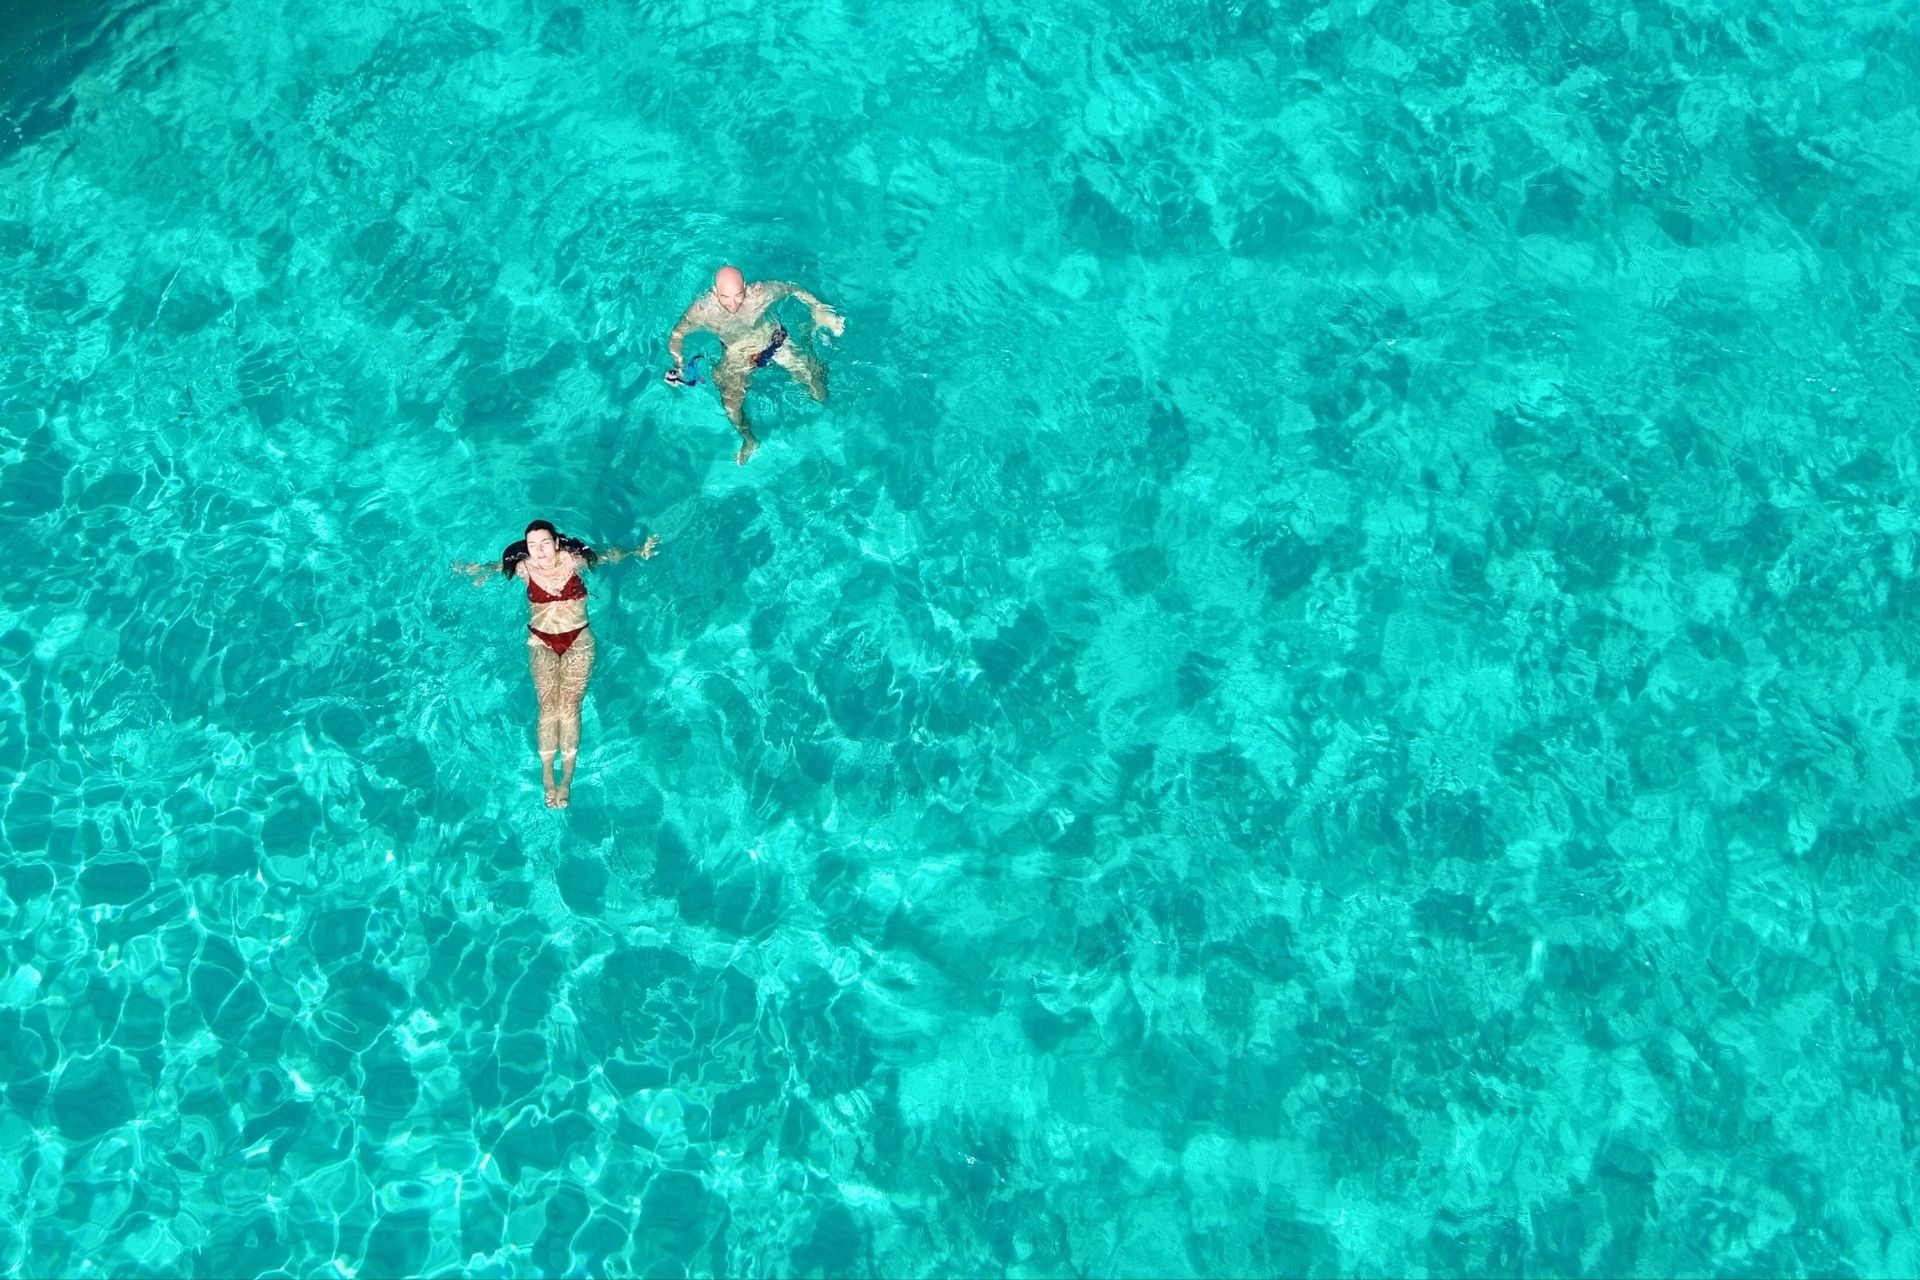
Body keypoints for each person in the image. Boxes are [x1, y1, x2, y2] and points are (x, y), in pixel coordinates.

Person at [453, 520, 659, 808]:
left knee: (569, 706)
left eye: (544, 543)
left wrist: (638, 551)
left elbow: (610, 554)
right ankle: (548, 777)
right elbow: (493, 568)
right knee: (549, 706)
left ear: (557, 542)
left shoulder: (574, 562)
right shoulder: (524, 568)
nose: (538, 550)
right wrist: (477, 572)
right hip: (541, 641)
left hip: (578, 640)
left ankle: (567, 780)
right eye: (532, 545)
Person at [666, 264, 846, 464]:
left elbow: (792, 288)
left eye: (738, 295)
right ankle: (749, 441)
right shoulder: (702, 310)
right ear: (715, 291)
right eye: (724, 297)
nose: (732, 304)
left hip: (773, 343)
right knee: (731, 407)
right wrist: (679, 365)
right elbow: (677, 334)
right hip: (736, 355)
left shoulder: (759, 294)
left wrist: (819, 309)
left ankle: (807, 338)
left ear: (745, 287)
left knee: (819, 393)